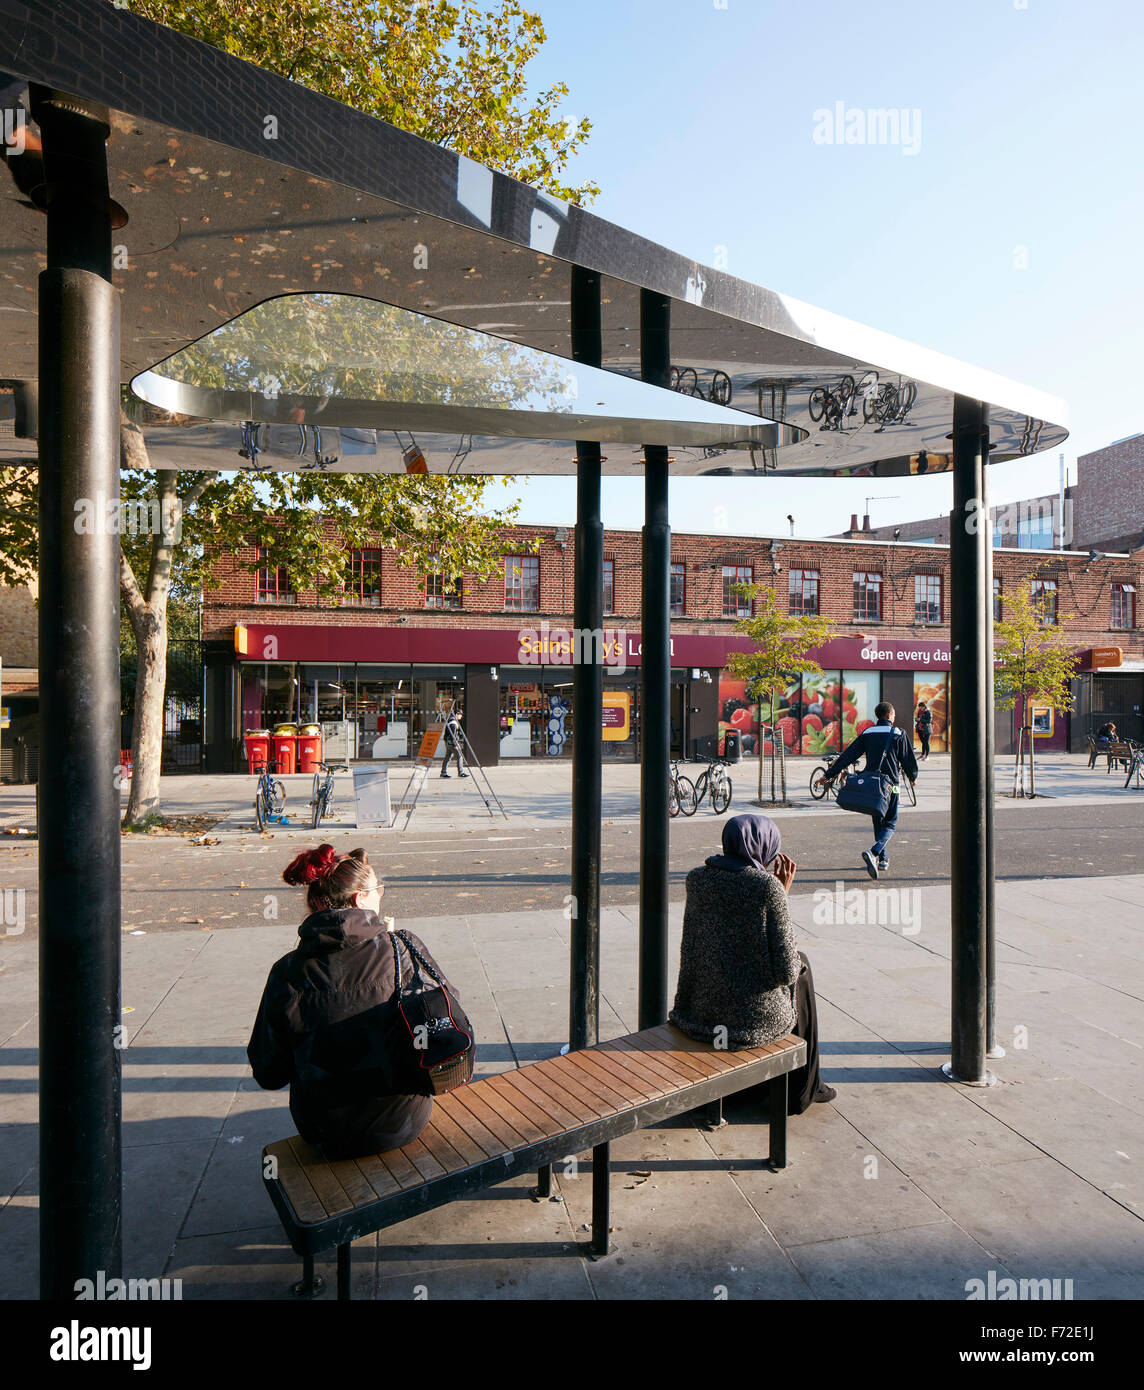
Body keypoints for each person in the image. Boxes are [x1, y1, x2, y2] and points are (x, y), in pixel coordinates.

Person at [247, 844, 468, 1159]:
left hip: (322, 1132)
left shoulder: (287, 971)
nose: (382, 894)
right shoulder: (401, 948)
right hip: (401, 1122)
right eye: (378, 888)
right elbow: (449, 1012)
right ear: (359, 899)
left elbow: (268, 1073)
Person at [669, 814, 834, 1114]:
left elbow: (703, 942)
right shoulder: (767, 887)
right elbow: (785, 970)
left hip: (700, 1013)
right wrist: (781, 896)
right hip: (750, 1023)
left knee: (797, 966)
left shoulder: (696, 879)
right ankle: (802, 1089)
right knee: (802, 969)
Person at [823, 701, 918, 880]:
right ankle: (874, 852)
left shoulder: (868, 732)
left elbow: (848, 756)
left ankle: (882, 859)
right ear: (889, 715)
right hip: (892, 786)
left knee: (878, 821)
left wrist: (829, 774)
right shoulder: (898, 733)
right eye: (894, 714)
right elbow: (907, 760)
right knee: (890, 823)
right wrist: (913, 777)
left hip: (872, 787)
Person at [440, 709, 467, 778]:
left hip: (447, 742)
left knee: (448, 757)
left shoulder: (450, 720)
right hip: (451, 743)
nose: (461, 716)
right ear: (457, 714)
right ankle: (460, 773)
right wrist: (455, 745)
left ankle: (443, 773)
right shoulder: (453, 723)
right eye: (460, 714)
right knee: (459, 756)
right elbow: (452, 735)